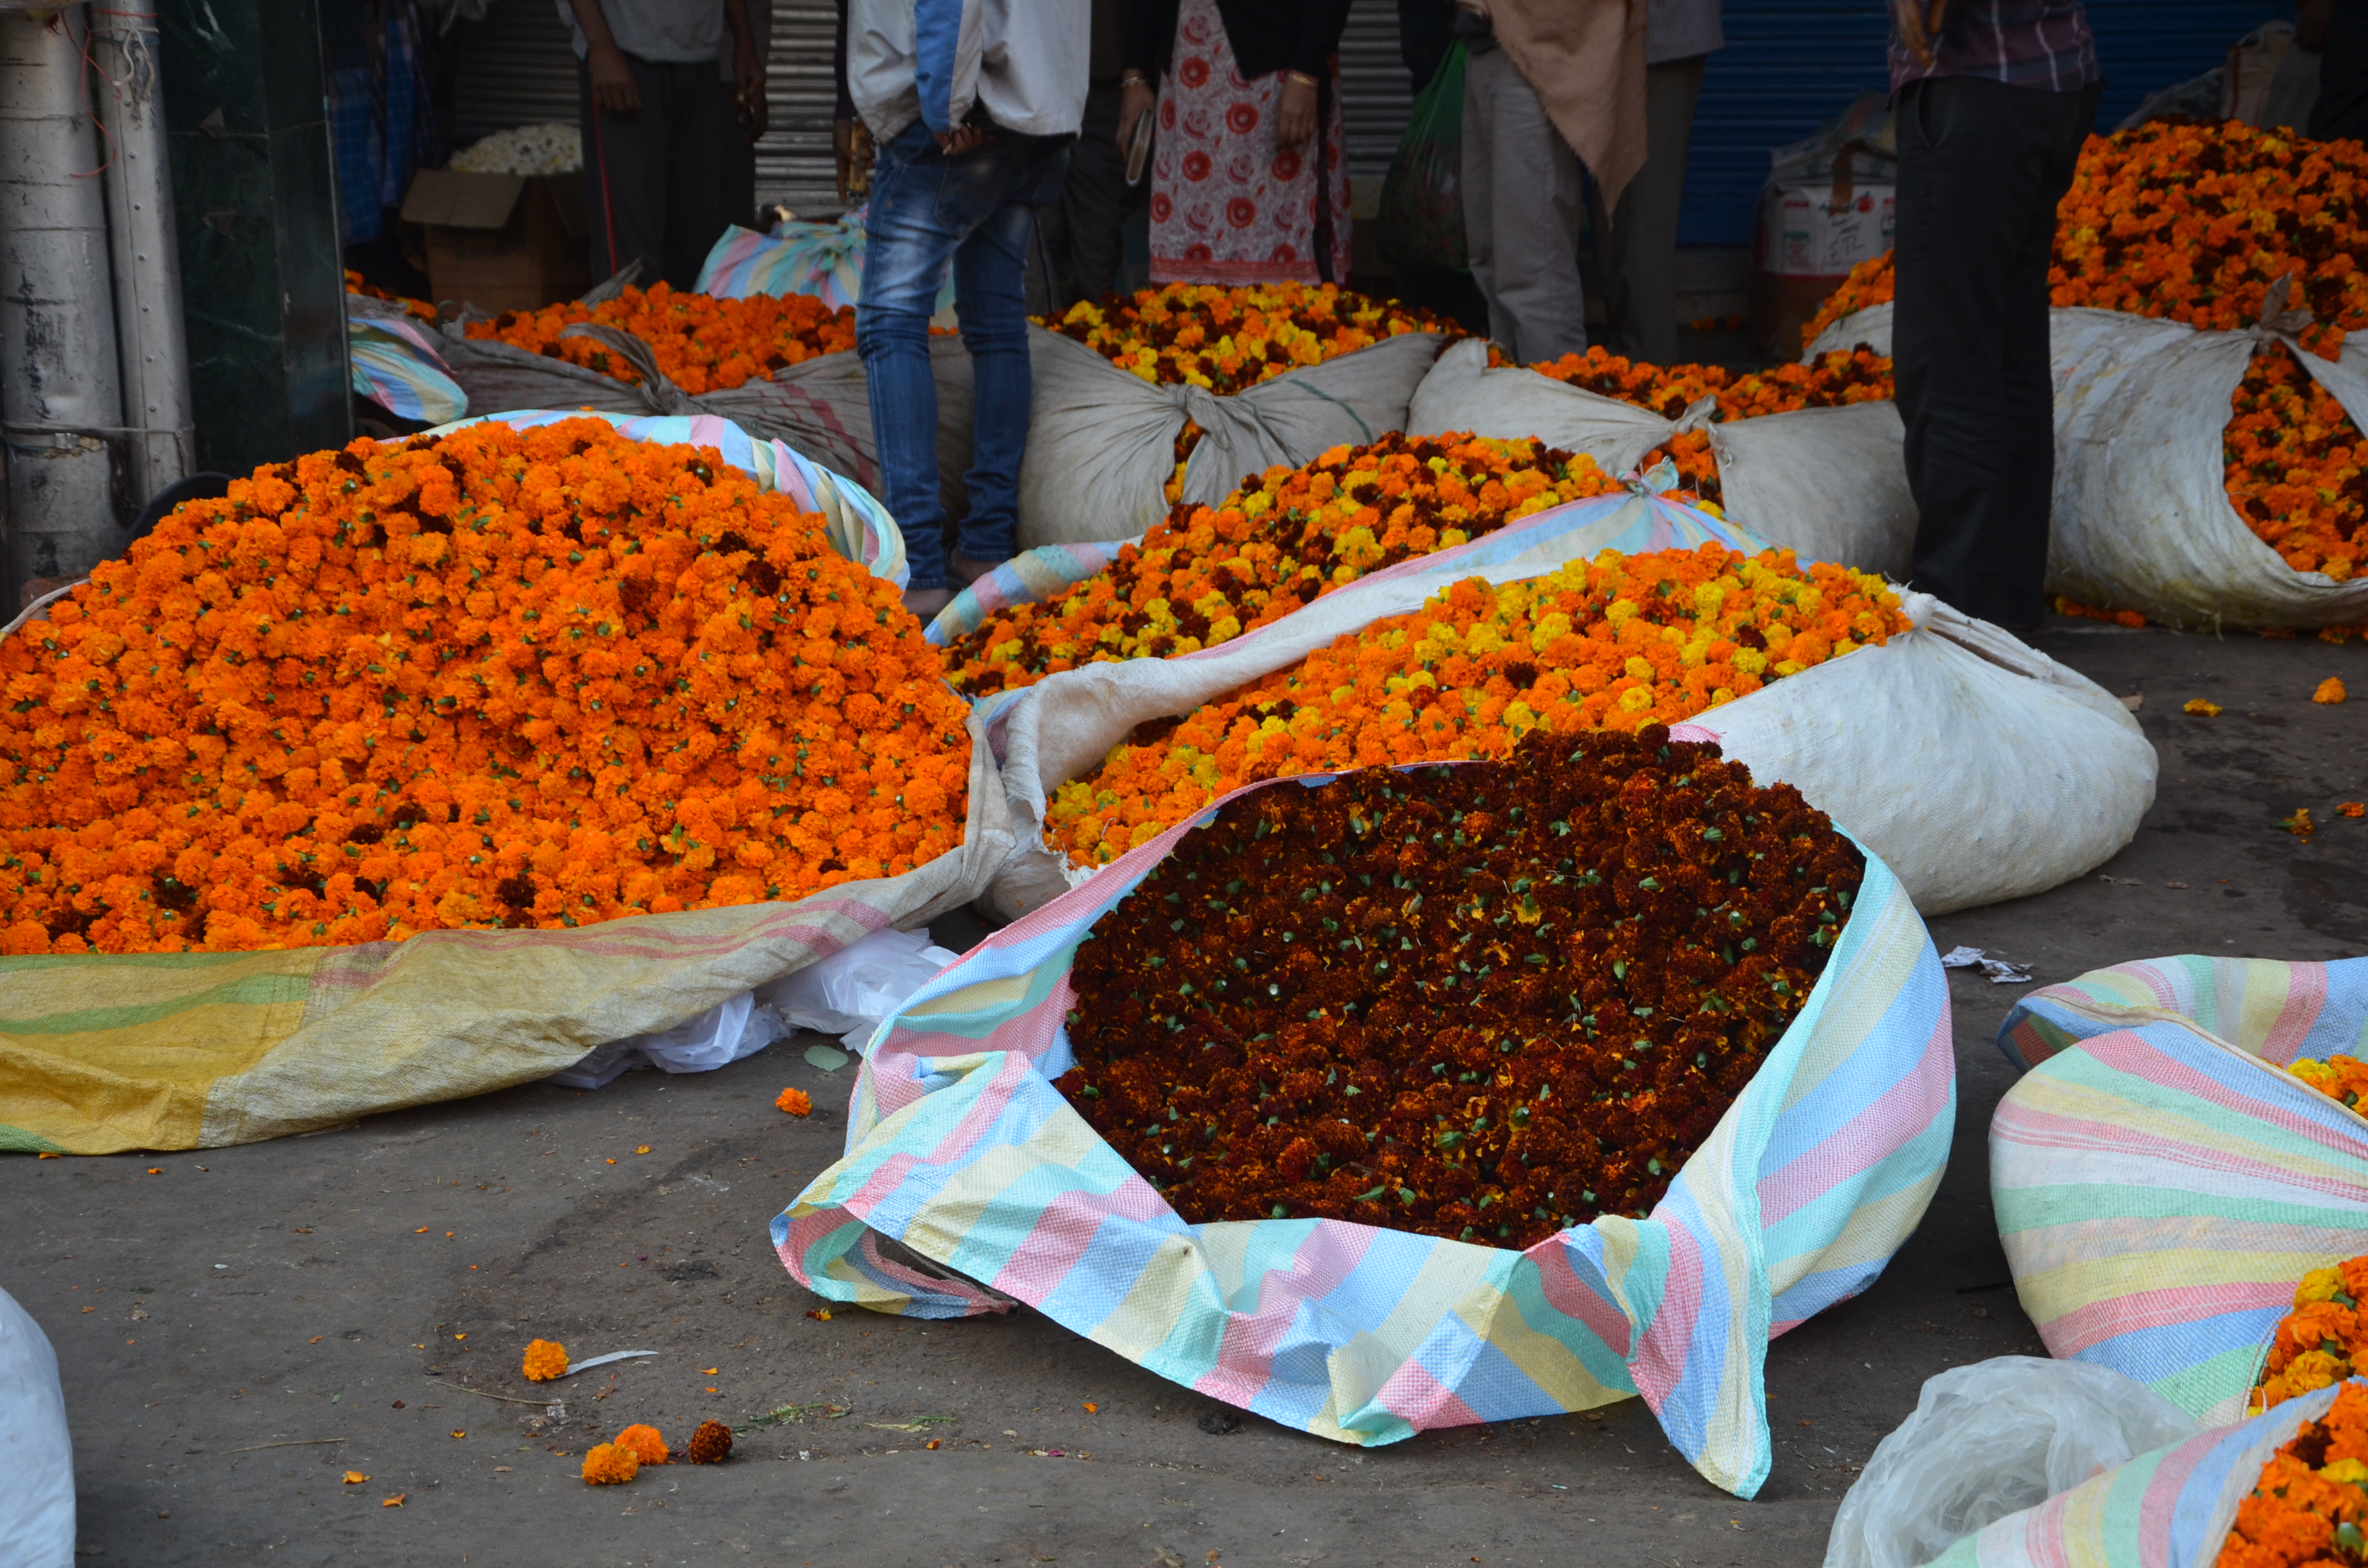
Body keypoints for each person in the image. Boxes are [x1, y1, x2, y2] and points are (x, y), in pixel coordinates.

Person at [849, 0, 1089, 618]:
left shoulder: (949, 114)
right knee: (997, 321)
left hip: (960, 121)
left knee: (890, 323)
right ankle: (985, 546)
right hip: (1032, 113)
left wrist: (944, 110)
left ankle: (918, 566)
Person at [1889, 0, 2101, 629]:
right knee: (2008, 356)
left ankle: (1963, 620)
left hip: (1978, 89)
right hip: (2052, 79)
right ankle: (2008, 610)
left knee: (1949, 367)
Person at [1457, 0, 1649, 364]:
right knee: (1490, 259)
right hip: (1487, 46)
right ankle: (1509, 389)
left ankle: (1555, 392)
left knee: (1534, 268)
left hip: (1540, 54)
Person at [1119, 0, 1354, 285]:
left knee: (1277, 230)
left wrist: (1306, 72)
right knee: (1189, 232)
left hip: (1275, 79)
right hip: (1188, 74)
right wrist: (1135, 74)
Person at [565, 0, 764, 290]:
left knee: (697, 244)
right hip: (625, 53)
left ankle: (680, 320)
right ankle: (626, 320)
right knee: (631, 255)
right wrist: (600, 44)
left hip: (701, 56)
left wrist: (744, 40)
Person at [1586, 0, 1720, 365]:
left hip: (1656, 34)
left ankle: (1647, 362)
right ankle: (1633, 354)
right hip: (1627, 38)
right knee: (1618, 213)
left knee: (1643, 214)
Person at [1029, 0, 1135, 314]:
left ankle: (1099, 333)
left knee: (1098, 243)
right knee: (1035, 238)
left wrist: (1137, 75)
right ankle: (1044, 335)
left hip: (1104, 83)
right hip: (1030, 84)